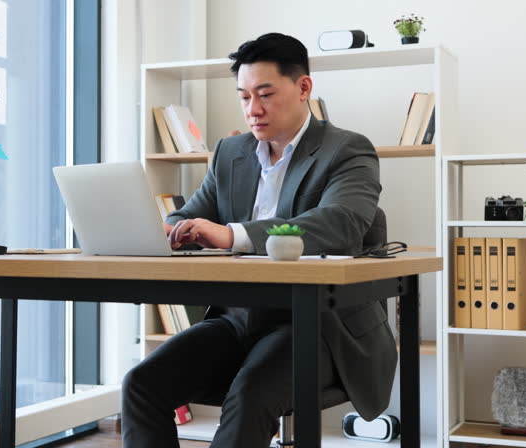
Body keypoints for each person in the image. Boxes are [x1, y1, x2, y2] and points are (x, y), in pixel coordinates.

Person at [121, 33, 396, 448]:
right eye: (244, 97)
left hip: (315, 324)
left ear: (303, 88)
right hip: (238, 319)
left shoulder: (347, 150)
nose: (253, 110)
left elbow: (341, 223)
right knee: (142, 384)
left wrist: (233, 234)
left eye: (264, 94)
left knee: (251, 392)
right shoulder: (230, 152)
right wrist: (175, 228)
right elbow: (192, 212)